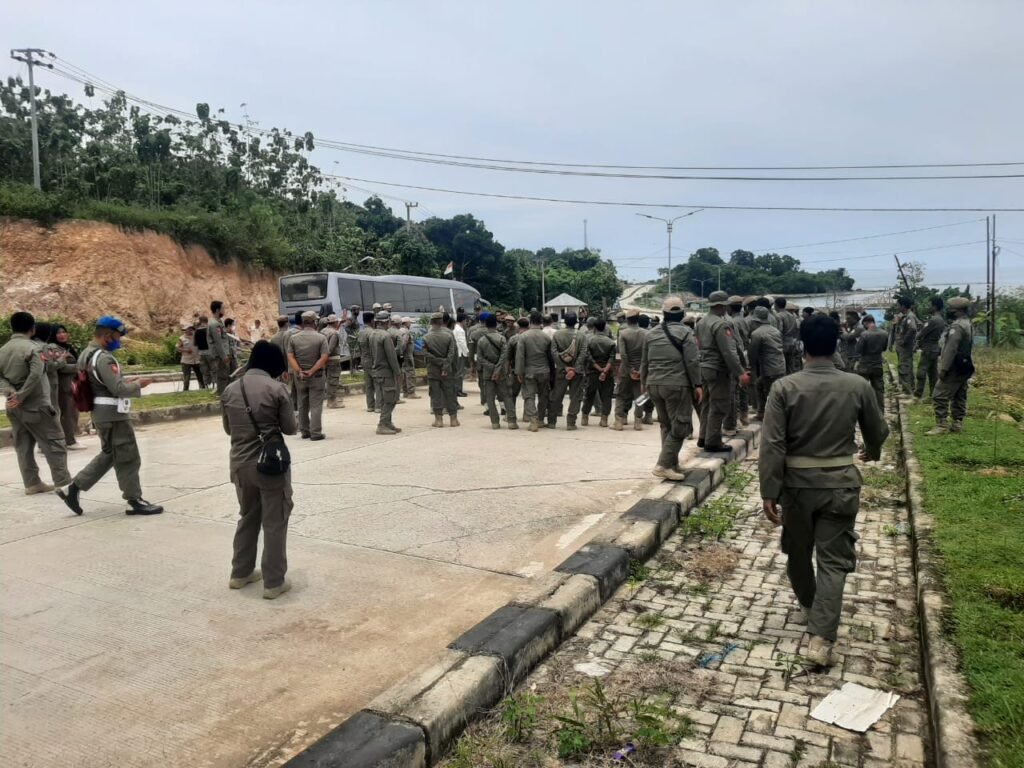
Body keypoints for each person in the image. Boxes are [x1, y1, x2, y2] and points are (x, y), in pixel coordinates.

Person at [759, 314, 889, 667]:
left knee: (798, 553)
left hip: (797, 489)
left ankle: (810, 607)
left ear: (802, 345)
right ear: (837, 344)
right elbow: (877, 430)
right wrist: (872, 452)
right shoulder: (858, 385)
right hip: (841, 485)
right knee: (833, 562)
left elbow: (772, 445)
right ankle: (821, 637)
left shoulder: (784, 388)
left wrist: (768, 492)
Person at [60, 316, 163, 516]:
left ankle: (72, 489)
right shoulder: (104, 357)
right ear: (107, 336)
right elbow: (117, 388)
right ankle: (134, 500)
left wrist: (124, 381)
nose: (119, 341)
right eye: (117, 337)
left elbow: (101, 383)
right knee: (128, 457)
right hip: (114, 415)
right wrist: (138, 385)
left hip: (101, 413)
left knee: (110, 455)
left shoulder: (86, 354)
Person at [221, 340, 296, 600]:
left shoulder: (230, 389)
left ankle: (240, 573)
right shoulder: (277, 388)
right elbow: (291, 428)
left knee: (248, 517)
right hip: (270, 464)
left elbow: (228, 429)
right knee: (274, 521)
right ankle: (274, 582)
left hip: (240, 464)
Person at [0, 312, 73, 494]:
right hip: (37, 406)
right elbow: (37, 374)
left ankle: (32, 483)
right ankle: (64, 483)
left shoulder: (3, 350)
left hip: (14, 406)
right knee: (55, 443)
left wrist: (12, 393)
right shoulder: (35, 348)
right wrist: (22, 395)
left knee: (23, 446)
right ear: (32, 329)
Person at [641, 296, 703, 480]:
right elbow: (692, 362)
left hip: (654, 384)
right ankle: (663, 465)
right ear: (683, 314)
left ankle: (672, 463)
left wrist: (644, 384)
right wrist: (697, 384)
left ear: (663, 313)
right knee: (681, 426)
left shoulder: (650, 334)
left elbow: (645, 362)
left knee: (666, 425)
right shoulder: (685, 333)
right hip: (676, 384)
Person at [696, 291, 750, 452]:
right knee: (719, 405)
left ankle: (703, 436)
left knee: (706, 404)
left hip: (704, 367)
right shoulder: (721, 325)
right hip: (718, 369)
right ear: (721, 305)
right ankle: (713, 441)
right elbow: (728, 351)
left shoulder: (701, 322)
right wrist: (741, 372)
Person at [928, 297, 974, 435]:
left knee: (939, 395)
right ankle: (957, 423)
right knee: (959, 394)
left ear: (957, 311)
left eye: (951, 310)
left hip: (954, 365)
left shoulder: (957, 327)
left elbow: (950, 349)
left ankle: (941, 425)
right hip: (965, 364)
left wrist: (944, 368)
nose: (949, 311)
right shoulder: (968, 324)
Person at [286, 311, 329, 440]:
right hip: (316, 376)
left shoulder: (294, 338)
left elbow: (290, 356)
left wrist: (299, 370)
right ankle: (316, 432)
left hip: (300, 377)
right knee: (316, 405)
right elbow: (324, 357)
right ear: (315, 322)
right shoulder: (321, 338)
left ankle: (305, 431)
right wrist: (312, 370)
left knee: (302, 403)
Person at [477, 314, 518, 430]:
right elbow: (504, 356)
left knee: (490, 398)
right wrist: (497, 369)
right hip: (502, 373)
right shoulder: (501, 338)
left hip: (487, 373)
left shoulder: (481, 340)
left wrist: (490, 367)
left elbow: (479, 358)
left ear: (485, 324)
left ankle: (495, 422)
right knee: (506, 396)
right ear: (496, 324)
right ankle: (511, 421)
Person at [516, 310, 554, 432]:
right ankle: (541, 419)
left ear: (530, 322)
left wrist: (519, 372)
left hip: (529, 371)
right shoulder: (546, 337)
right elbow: (550, 357)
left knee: (529, 396)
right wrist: (551, 372)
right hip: (544, 371)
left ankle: (533, 421)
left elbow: (520, 356)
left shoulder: (523, 337)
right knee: (543, 396)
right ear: (541, 322)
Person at [747, 306, 786, 422]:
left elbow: (752, 354)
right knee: (761, 386)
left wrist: (750, 369)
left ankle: (772, 417)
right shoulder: (776, 331)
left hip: (769, 369)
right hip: (780, 365)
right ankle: (762, 412)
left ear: (756, 320)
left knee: (770, 393)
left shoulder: (757, 334)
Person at [548, 312, 585, 430]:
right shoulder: (581, 335)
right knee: (575, 396)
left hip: (561, 370)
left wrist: (563, 367)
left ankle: (551, 421)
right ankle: (571, 422)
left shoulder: (557, 334)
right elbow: (583, 353)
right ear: (576, 322)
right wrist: (574, 369)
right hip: (577, 372)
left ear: (564, 321)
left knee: (556, 395)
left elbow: (553, 352)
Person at [423, 312, 459, 427]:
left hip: (433, 369)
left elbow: (423, 353)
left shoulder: (426, 337)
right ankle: (453, 419)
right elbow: (452, 353)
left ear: (431, 322)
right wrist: (446, 364)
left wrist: (437, 361)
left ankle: (438, 420)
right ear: (442, 322)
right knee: (450, 393)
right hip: (447, 369)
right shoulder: (449, 335)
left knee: (435, 394)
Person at [370, 311, 404, 434]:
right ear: (387, 322)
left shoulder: (372, 334)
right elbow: (392, 357)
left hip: (377, 370)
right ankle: (383, 424)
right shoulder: (385, 336)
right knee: (391, 398)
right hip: (386, 371)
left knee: (385, 398)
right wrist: (398, 372)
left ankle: (388, 423)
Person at [581, 318, 616, 427]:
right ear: (605, 327)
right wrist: (605, 370)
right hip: (607, 372)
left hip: (592, 371)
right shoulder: (611, 342)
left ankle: (584, 417)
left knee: (589, 394)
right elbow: (612, 358)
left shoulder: (589, 340)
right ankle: (604, 419)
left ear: (594, 328)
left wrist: (597, 368)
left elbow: (588, 357)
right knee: (606, 396)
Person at [613, 309, 645, 431]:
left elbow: (623, 355)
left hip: (626, 370)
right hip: (640, 370)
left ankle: (619, 422)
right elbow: (646, 355)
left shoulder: (623, 333)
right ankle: (638, 422)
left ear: (627, 320)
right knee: (640, 396)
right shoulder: (645, 334)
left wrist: (630, 369)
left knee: (621, 395)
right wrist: (640, 370)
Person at [53, 324, 84, 449]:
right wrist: (79, 368)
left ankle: (69, 439)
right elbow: (61, 367)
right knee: (67, 413)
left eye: (63, 332)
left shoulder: (69, 348)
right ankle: (69, 441)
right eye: (58, 333)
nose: (62, 335)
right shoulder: (55, 349)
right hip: (63, 385)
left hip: (73, 384)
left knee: (71, 412)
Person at [724, 296, 751, 434]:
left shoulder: (732, 322)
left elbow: (734, 345)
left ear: (729, 307)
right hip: (744, 353)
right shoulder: (744, 320)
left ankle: (736, 420)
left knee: (734, 391)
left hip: (737, 355)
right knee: (742, 389)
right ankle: (744, 415)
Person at [914, 296, 946, 402]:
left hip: (928, 348)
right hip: (935, 348)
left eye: (930, 305)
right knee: (933, 373)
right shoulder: (941, 320)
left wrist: (918, 337)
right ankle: (933, 394)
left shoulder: (933, 320)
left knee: (921, 371)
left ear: (935, 306)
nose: (928, 306)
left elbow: (921, 333)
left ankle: (918, 394)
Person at [855, 315, 888, 412]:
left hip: (865, 364)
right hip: (878, 364)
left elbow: (858, 350)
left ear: (866, 323)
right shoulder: (884, 333)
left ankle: (864, 410)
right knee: (879, 389)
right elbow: (884, 348)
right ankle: (880, 411)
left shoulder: (864, 334)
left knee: (863, 388)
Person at [890, 295, 919, 394]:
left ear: (903, 306)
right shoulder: (903, 316)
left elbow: (913, 328)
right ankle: (908, 388)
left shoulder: (910, 316)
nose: (897, 307)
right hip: (901, 347)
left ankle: (907, 391)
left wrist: (905, 340)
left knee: (904, 367)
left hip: (905, 347)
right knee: (906, 366)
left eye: (898, 305)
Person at [206, 301, 231, 396]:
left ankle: (221, 392)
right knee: (223, 374)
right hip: (220, 354)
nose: (224, 310)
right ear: (217, 310)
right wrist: (224, 356)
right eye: (223, 308)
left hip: (221, 353)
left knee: (223, 374)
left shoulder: (218, 322)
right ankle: (222, 394)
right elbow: (218, 342)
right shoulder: (214, 324)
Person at [321, 315, 346, 409]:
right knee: (333, 380)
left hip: (323, 359)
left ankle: (330, 400)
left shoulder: (322, 331)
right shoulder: (334, 333)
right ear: (335, 323)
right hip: (333, 359)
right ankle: (331, 402)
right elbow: (330, 349)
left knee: (327, 380)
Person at [357, 310, 378, 412]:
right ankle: (378, 406)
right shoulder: (372, 332)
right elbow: (374, 349)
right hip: (372, 360)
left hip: (364, 360)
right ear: (372, 320)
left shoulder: (360, 332)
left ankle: (370, 406)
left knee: (368, 385)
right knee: (378, 384)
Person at [773, 297, 799, 374]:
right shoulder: (792, 315)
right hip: (792, 342)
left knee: (783, 366)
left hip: (783, 343)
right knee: (791, 365)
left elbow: (779, 330)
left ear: (776, 305)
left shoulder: (779, 316)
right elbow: (795, 328)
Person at [177, 323, 205, 392]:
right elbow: (177, 348)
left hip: (196, 360)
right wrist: (186, 350)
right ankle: (186, 390)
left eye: (191, 329)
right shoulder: (181, 338)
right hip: (186, 361)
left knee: (200, 376)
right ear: (185, 330)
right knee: (187, 377)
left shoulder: (196, 337)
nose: (190, 331)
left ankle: (203, 389)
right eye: (188, 329)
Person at [399, 317, 419, 399]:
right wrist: (402, 353)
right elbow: (403, 343)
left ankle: (405, 392)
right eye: (410, 323)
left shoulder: (400, 331)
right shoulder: (406, 332)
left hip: (403, 356)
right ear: (406, 323)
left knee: (404, 373)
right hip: (407, 356)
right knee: (410, 373)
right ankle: (411, 392)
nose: (410, 324)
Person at [453, 313, 470, 398]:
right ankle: (458, 390)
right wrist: (467, 352)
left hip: (458, 352)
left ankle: (458, 389)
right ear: (463, 320)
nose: (466, 323)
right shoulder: (460, 330)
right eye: (466, 321)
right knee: (460, 372)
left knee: (458, 372)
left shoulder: (456, 328)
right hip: (461, 353)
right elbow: (462, 342)